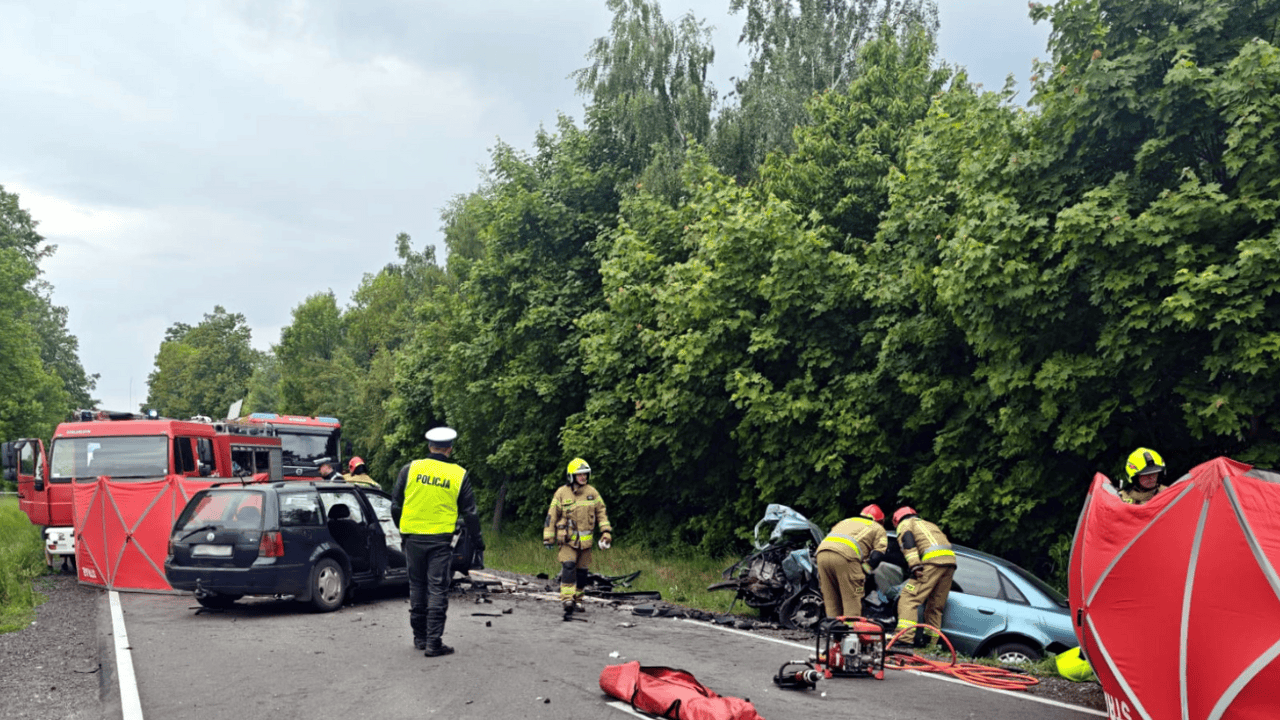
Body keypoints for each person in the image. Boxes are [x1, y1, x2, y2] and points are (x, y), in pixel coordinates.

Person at [391, 427, 483, 657]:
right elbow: (470, 513)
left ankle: (420, 638)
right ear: (449, 449)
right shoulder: (458, 474)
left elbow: (395, 506)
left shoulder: (409, 469)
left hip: (412, 539)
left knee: (417, 587)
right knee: (437, 589)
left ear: (429, 446)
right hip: (440, 542)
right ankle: (434, 642)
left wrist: (402, 530)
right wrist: (478, 541)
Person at [543, 457, 613, 621]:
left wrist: (606, 531)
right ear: (571, 476)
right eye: (580, 474)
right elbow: (551, 516)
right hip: (567, 541)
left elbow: (601, 513)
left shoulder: (592, 493)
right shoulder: (561, 493)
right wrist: (548, 537)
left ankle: (578, 599)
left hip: (586, 544)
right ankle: (567, 599)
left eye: (585, 474)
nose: (583, 477)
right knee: (568, 566)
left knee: (582, 573)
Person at [892, 506, 956, 647]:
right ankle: (930, 644)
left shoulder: (905, 524)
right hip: (950, 563)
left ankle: (904, 638)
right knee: (935, 605)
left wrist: (914, 565)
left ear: (897, 520)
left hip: (932, 562)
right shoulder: (929, 524)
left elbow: (908, 542)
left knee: (908, 599)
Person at [814, 504, 888, 618]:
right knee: (851, 598)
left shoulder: (846, 521)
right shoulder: (877, 528)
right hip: (845, 557)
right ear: (879, 520)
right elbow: (878, 555)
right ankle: (851, 632)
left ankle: (835, 631)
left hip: (822, 554)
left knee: (831, 598)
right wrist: (865, 571)